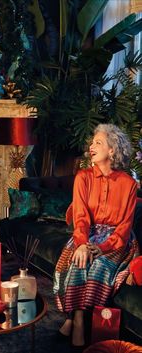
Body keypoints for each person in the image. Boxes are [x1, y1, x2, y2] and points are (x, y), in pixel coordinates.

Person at [53, 124, 139, 352]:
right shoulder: (83, 177)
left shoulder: (129, 185)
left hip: (116, 239)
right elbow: (80, 217)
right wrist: (82, 244)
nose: (91, 147)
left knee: (99, 265)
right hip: (86, 232)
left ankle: (72, 319)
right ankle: (78, 318)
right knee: (77, 260)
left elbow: (124, 227)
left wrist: (101, 248)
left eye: (98, 143)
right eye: (92, 143)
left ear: (112, 150)